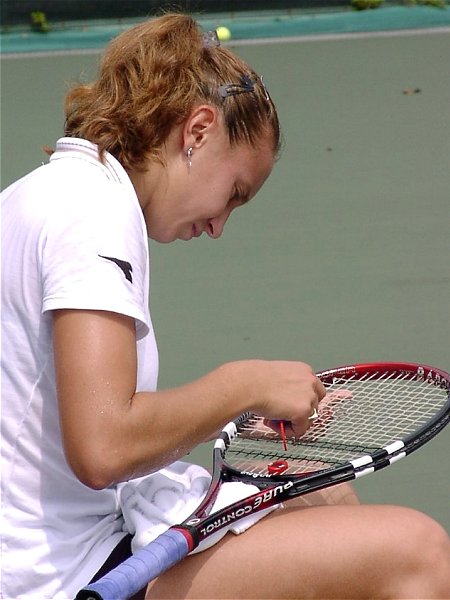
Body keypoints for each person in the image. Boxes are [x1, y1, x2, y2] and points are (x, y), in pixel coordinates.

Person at [1, 12, 449, 600]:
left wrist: (241, 408)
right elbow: (104, 447)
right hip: (58, 577)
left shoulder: (45, 193)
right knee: (417, 552)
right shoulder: (93, 213)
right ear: (198, 130)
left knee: (321, 491)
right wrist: (244, 386)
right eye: (234, 193)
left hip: (65, 547)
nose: (218, 226)